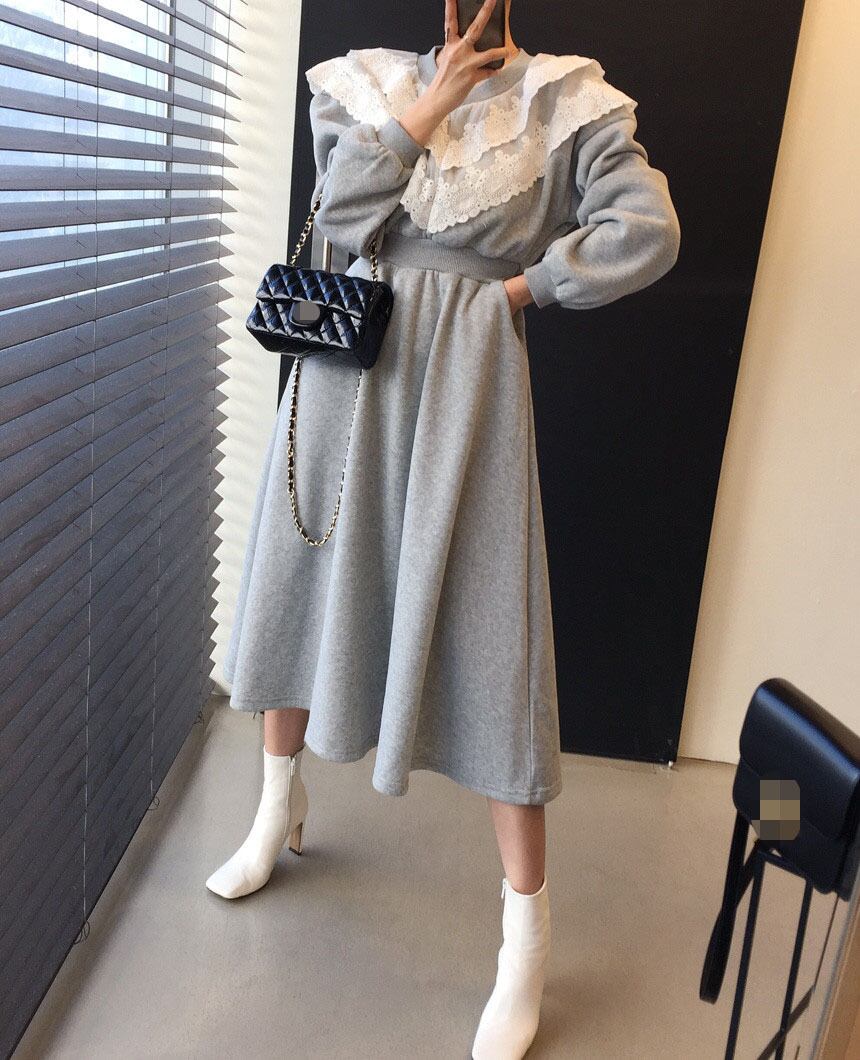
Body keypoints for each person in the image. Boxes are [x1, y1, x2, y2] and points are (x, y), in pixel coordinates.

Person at [208, 0, 681, 1056]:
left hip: (469, 386)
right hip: (346, 373)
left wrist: (525, 289)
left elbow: (647, 230)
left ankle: (525, 941)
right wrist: (429, 106)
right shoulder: (365, 82)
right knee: (301, 583)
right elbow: (341, 215)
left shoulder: (567, 98)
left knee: (493, 635)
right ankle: (275, 807)